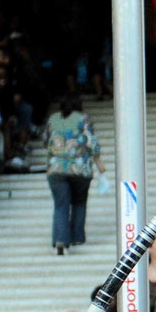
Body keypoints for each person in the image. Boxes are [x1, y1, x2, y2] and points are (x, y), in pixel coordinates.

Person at [44, 94, 103, 254]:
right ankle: (77, 237)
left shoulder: (53, 119)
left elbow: (46, 140)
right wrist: (98, 161)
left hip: (56, 169)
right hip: (80, 169)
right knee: (79, 202)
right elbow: (92, 143)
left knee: (61, 205)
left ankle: (60, 240)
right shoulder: (84, 119)